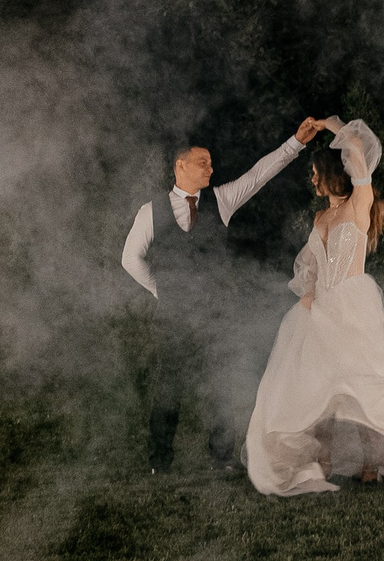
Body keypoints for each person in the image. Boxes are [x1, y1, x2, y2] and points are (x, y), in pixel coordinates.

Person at [244, 119, 384, 496]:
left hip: (351, 304)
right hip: (319, 307)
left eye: (314, 173)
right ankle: (323, 459)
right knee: (316, 387)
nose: (312, 180)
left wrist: (330, 125)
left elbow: (358, 149)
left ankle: (372, 462)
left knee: (357, 384)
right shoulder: (320, 216)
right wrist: (308, 302)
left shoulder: (360, 202)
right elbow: (310, 266)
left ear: (330, 174)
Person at [121, 116, 325, 471]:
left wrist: (296, 142)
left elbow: (259, 174)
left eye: (212, 163)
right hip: (173, 316)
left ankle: (222, 459)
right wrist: (161, 290)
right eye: (204, 163)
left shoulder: (221, 200)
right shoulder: (149, 211)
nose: (211, 169)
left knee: (219, 385)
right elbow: (130, 259)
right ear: (180, 166)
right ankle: (160, 461)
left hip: (216, 313)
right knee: (168, 387)